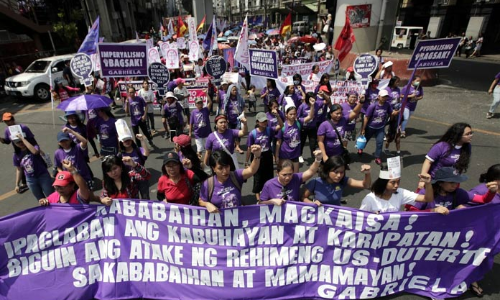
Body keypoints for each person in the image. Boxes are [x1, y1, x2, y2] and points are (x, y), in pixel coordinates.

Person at [406, 167, 497, 213]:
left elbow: (483, 199)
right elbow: (412, 213)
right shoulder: (426, 193)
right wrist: (433, 211)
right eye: (451, 182)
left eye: (456, 182)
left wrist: (491, 192)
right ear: (440, 183)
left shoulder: (458, 192)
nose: (455, 185)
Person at [199, 146, 262, 213]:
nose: (225, 171)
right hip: (220, 221)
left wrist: (257, 156)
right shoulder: (208, 184)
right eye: (220, 168)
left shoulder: (236, 176)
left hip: (238, 218)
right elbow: (201, 201)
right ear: (214, 169)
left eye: (227, 166)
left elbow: (251, 170)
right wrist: (207, 204)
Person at [419, 122, 472, 189]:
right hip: (435, 182)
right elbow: (428, 161)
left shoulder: (467, 147)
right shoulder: (441, 146)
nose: (470, 135)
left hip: (452, 183)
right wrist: (423, 179)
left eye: (471, 133)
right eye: (467, 134)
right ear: (458, 135)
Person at [303, 157, 371, 206]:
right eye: (336, 172)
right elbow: (303, 198)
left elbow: (365, 185)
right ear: (328, 170)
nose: (339, 175)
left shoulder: (343, 180)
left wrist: (367, 173)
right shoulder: (315, 182)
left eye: (342, 172)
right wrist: (312, 203)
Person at [39, 160, 111, 206]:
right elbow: (45, 203)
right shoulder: (53, 197)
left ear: (72, 185)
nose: (59, 189)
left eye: (62, 186)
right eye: (57, 186)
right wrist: (43, 201)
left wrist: (72, 170)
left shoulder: (79, 196)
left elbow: (83, 187)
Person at [360, 168, 433, 213]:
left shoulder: (400, 193)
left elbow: (427, 199)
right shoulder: (369, 199)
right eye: (393, 182)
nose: (396, 185)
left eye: (398, 182)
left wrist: (428, 183)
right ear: (383, 183)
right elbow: (360, 218)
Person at [1, 112, 38, 193]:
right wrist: (1, 139)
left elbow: (32, 140)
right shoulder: (7, 130)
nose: (8, 123)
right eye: (6, 121)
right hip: (19, 151)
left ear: (13, 120)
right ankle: (24, 183)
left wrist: (36, 150)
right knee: (21, 167)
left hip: (29, 150)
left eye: (9, 121)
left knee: (33, 164)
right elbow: (7, 141)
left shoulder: (24, 128)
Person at [360, 89, 398, 165]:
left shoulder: (387, 105)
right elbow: (366, 117)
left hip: (380, 128)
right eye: (383, 97)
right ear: (379, 97)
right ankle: (360, 148)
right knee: (365, 140)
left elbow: (391, 113)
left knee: (380, 143)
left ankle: (377, 157)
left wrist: (396, 113)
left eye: (386, 97)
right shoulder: (372, 106)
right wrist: (363, 129)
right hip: (370, 127)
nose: (384, 98)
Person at [276, 101, 315, 174]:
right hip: (284, 155)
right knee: (285, 175)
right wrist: (277, 156)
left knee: (295, 175)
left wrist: (312, 106)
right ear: (286, 115)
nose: (293, 116)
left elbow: (310, 117)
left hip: (295, 155)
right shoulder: (282, 126)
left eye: (294, 114)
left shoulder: (298, 122)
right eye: (290, 114)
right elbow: (278, 142)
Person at [12, 133, 53, 201]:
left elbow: (35, 152)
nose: (20, 143)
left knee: (51, 197)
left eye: (21, 141)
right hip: (31, 179)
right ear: (15, 144)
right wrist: (17, 184)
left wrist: (22, 138)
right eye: (18, 142)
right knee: (41, 200)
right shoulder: (16, 155)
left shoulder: (34, 147)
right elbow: (19, 169)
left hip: (43, 175)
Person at [246, 112, 275, 201]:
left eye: (265, 121)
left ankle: (268, 193)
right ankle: (258, 197)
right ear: (257, 122)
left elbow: (272, 141)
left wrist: (274, 155)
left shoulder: (269, 130)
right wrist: (246, 161)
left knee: (269, 175)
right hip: (257, 156)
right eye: (262, 121)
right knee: (258, 176)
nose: (264, 123)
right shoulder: (252, 134)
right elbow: (249, 148)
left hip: (267, 155)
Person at [118, 134, 150, 199]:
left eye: (128, 140)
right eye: (124, 141)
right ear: (121, 142)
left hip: (142, 178)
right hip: (129, 181)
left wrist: (142, 140)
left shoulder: (137, 150)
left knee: (145, 197)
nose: (127, 142)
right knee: (134, 199)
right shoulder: (120, 155)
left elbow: (146, 153)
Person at [221, 84, 246, 154]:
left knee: (238, 132)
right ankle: (230, 145)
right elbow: (223, 109)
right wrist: (224, 117)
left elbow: (244, 107)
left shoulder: (240, 98)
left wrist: (244, 114)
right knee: (229, 132)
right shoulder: (226, 99)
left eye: (236, 90)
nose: (235, 91)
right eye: (233, 90)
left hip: (238, 119)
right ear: (230, 90)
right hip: (229, 119)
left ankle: (237, 146)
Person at [384, 76, 402, 155]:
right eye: (397, 82)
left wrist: (399, 108)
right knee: (386, 125)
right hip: (389, 111)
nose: (398, 83)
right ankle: (385, 136)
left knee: (396, 131)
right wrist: (391, 111)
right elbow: (385, 101)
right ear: (392, 82)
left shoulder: (398, 89)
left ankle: (398, 151)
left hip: (396, 111)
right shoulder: (387, 90)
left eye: (399, 82)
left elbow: (398, 100)